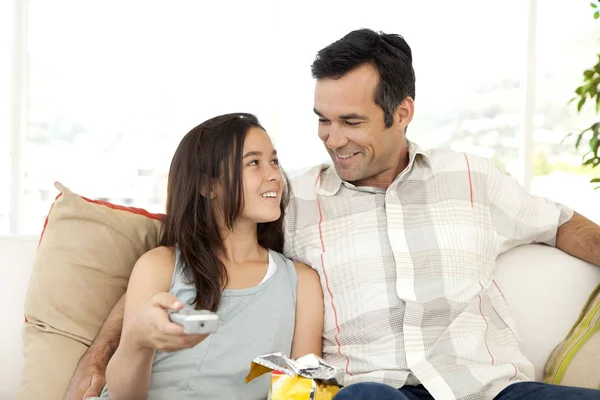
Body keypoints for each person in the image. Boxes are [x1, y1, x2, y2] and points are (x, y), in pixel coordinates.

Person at [64, 30, 600, 400]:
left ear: (402, 112)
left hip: (487, 387)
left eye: (350, 121)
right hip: (374, 391)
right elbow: (193, 247)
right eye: (322, 120)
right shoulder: (289, 200)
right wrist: (102, 352)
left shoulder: (473, 177)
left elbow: (563, 225)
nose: (332, 140)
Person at [84, 113, 323, 399]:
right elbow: (126, 396)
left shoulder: (301, 283)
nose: (274, 174)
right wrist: (137, 340)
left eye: (273, 161)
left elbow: (303, 392)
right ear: (207, 186)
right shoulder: (160, 266)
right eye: (253, 163)